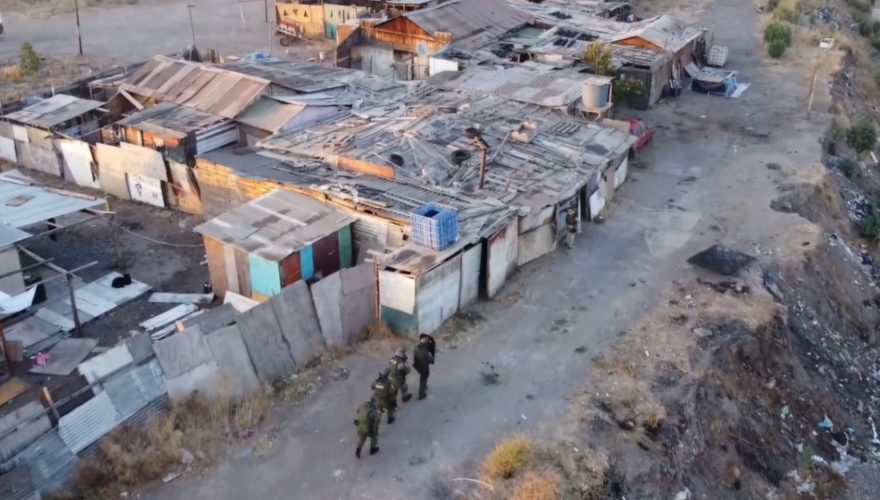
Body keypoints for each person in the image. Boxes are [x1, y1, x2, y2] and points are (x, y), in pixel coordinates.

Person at [413, 335, 435, 400]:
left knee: (424, 376)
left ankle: (424, 386)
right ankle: (421, 394)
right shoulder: (425, 352)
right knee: (423, 379)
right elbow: (431, 360)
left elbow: (415, 356)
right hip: (424, 367)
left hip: (418, 366)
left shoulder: (416, 348)